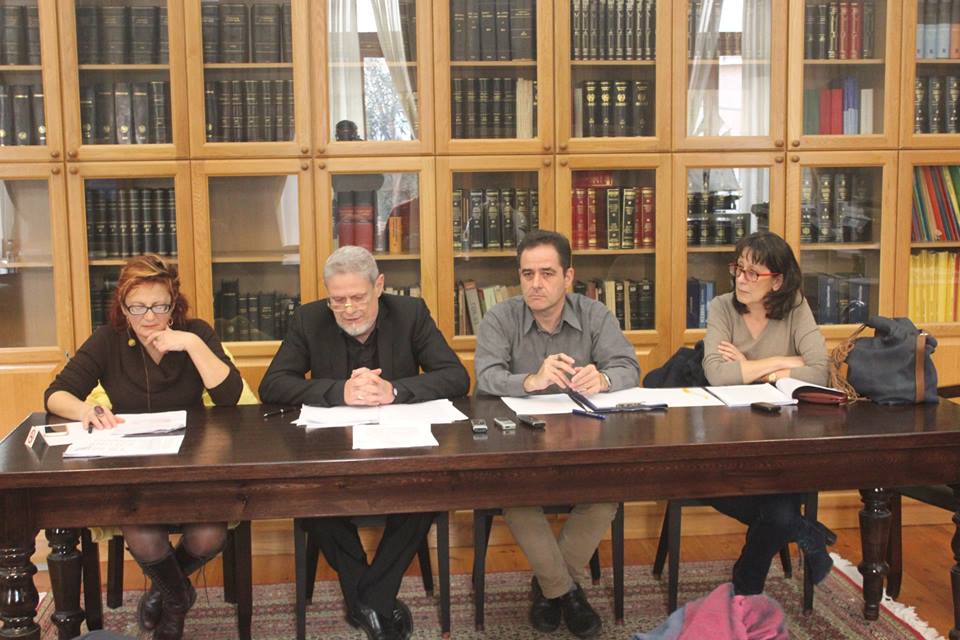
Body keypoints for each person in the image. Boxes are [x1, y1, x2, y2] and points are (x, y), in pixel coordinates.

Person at [259, 246, 469, 640]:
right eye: (338, 300)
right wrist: (340, 391)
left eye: (358, 297)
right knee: (312, 498)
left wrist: (395, 390)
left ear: (379, 287)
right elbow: (272, 385)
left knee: (426, 491)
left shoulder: (410, 313)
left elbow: (456, 377)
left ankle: (366, 599)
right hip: (332, 453)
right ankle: (376, 600)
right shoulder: (309, 319)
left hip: (400, 448)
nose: (349, 309)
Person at [45, 255, 243, 640]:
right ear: (123, 307)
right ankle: (177, 599)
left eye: (159, 306)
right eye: (138, 307)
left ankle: (161, 593)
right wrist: (85, 409)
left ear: (174, 304)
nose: (149, 317)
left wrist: (190, 343)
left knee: (210, 533)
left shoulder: (195, 333)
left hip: (194, 463)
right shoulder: (108, 340)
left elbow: (229, 396)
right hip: (134, 467)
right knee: (141, 528)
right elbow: (56, 394)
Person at [474, 230, 640, 639]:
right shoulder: (500, 317)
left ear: (568, 277)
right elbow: (487, 376)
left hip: (583, 441)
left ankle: (549, 588)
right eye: (527, 274)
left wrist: (602, 379)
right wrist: (531, 380)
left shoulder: (595, 315)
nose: (535, 283)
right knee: (516, 496)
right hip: (517, 443)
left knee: (606, 494)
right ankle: (566, 592)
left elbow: (628, 367)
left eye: (547, 273)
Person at [701, 230, 835, 596]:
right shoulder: (722, 307)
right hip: (728, 437)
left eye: (752, 273)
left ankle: (748, 586)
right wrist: (785, 363)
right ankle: (801, 532)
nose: (741, 280)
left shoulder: (796, 308)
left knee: (778, 504)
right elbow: (718, 374)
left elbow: (819, 371)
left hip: (785, 439)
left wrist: (754, 365)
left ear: (777, 281)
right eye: (738, 269)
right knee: (774, 510)